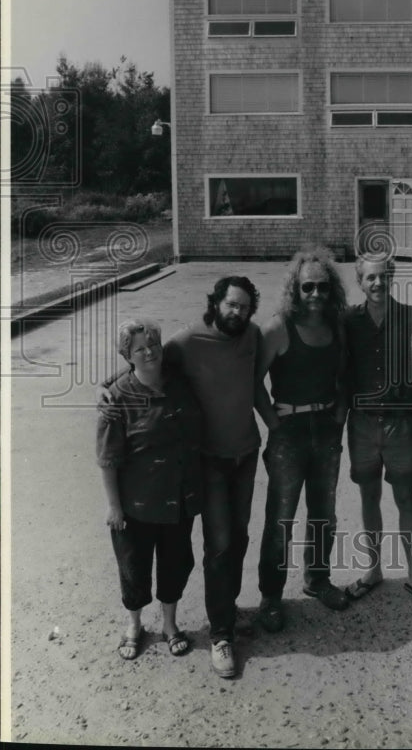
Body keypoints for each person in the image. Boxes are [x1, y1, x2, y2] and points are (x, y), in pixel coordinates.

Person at [99, 276, 277, 680]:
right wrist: (108, 386)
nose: (238, 312)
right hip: (209, 462)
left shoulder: (250, 336)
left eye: (245, 306)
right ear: (215, 303)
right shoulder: (188, 341)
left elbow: (255, 385)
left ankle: (225, 609)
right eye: (231, 304)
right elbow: (144, 359)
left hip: (245, 454)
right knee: (219, 544)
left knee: (239, 537)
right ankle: (220, 635)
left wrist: (277, 428)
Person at [96, 319, 202, 661]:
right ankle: (135, 625)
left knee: (175, 563)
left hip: (176, 500)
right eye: (139, 348)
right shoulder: (117, 398)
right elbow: (108, 459)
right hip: (135, 506)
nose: (149, 351)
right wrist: (114, 507)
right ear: (127, 355)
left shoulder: (181, 385)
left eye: (153, 343)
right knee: (133, 567)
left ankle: (170, 625)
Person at [256, 246, 349, 631]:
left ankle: (318, 580)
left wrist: (339, 416)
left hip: (326, 429)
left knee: (323, 514)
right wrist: (273, 424)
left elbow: (345, 376)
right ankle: (271, 597)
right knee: (281, 518)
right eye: (308, 287)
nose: (316, 295)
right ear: (295, 287)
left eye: (323, 288)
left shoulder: (335, 326)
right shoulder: (278, 328)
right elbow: (253, 381)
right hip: (289, 433)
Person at [342, 254, 412, 608]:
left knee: (406, 498)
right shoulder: (347, 321)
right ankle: (374, 568)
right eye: (370, 278)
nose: (377, 283)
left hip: (401, 422)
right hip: (362, 423)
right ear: (360, 281)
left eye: (383, 276)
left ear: (392, 276)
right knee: (369, 497)